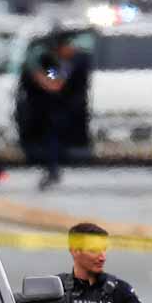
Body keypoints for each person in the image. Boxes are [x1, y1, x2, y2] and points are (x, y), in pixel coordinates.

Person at [27, 33, 91, 189]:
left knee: (52, 138)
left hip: (71, 108)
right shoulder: (59, 63)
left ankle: (53, 170)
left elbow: (56, 85)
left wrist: (38, 76)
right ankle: (52, 169)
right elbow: (53, 77)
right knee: (49, 137)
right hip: (59, 108)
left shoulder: (74, 62)